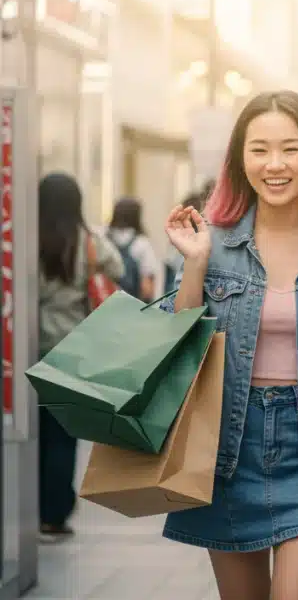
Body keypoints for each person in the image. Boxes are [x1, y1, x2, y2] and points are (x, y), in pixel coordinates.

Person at [159, 90, 298, 600]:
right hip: (230, 453)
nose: (274, 164)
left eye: (290, 149)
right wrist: (194, 264)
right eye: (259, 149)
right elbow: (177, 344)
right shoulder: (212, 243)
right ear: (240, 160)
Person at [36, 173, 125, 541]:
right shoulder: (89, 243)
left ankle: (26, 507)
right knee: (61, 436)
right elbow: (117, 271)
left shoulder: (24, 241)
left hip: (27, 348)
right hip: (73, 351)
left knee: (30, 435)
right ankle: (54, 514)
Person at [108, 197, 162, 301]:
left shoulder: (104, 239)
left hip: (104, 304)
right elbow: (147, 288)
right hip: (131, 307)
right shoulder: (141, 243)